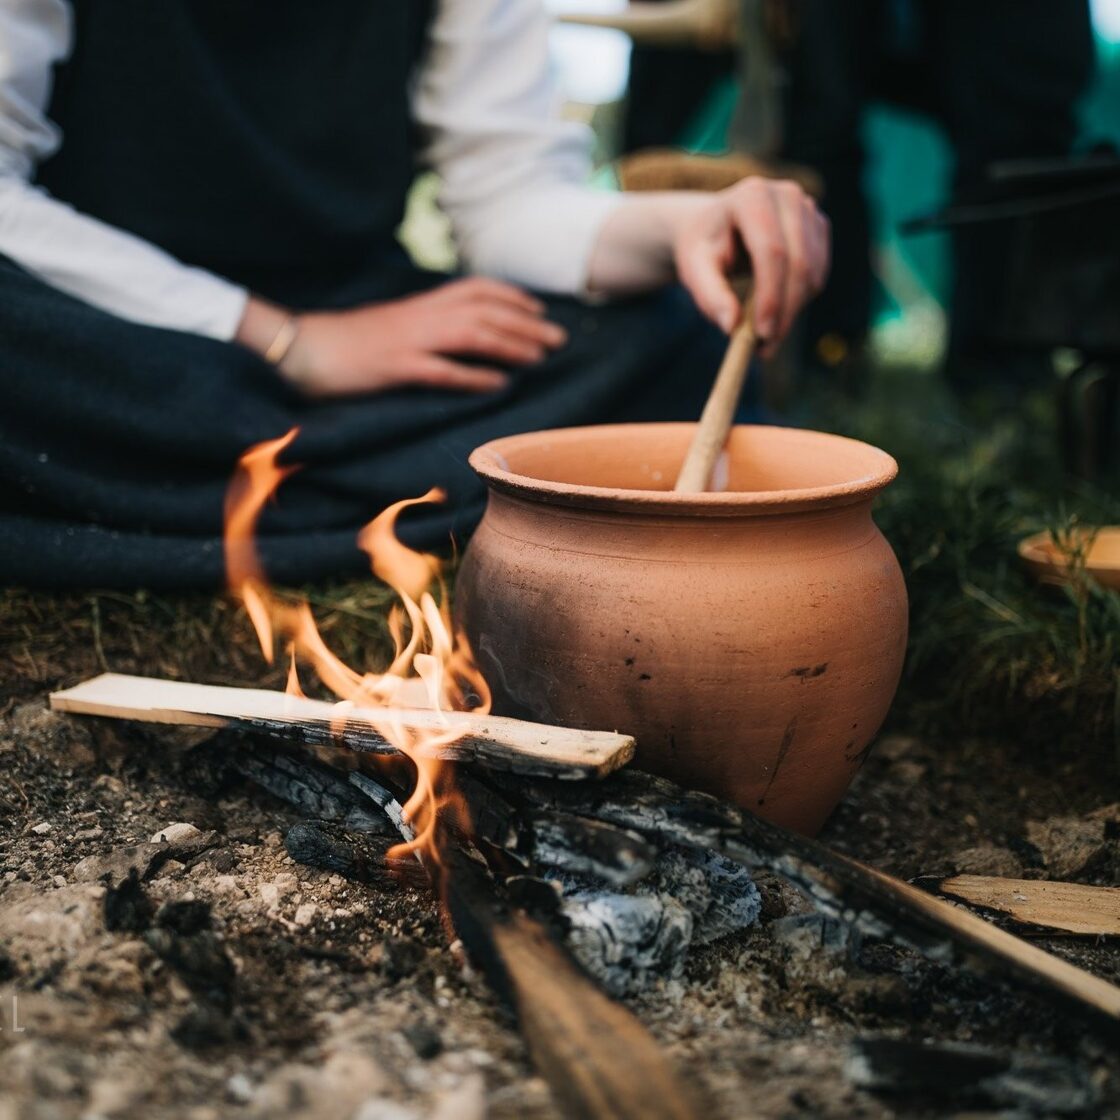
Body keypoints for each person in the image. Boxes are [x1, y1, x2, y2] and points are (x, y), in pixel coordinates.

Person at [0, 0, 828, 588]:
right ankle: (417, 501)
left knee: (666, 332)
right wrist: (284, 338)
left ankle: (131, 503)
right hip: (106, 327)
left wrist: (685, 226)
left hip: (363, 322)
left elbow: (505, 196)